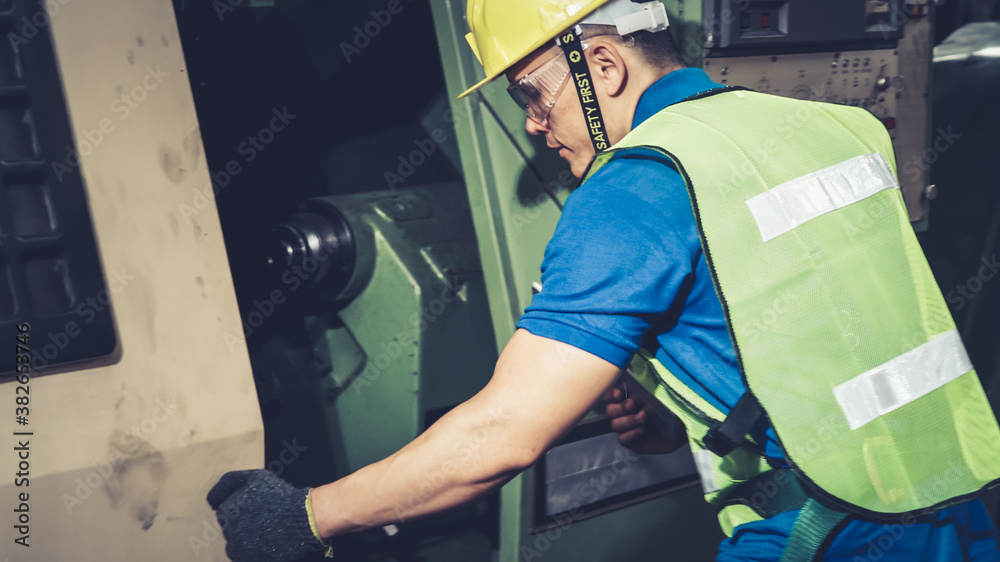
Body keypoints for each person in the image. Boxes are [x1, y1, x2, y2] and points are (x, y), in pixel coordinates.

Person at [206, 1, 1000, 560]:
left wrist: (308, 516)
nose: (532, 125)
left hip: (825, 537)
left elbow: (502, 435)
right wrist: (685, 413)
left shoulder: (637, 186)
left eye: (531, 94)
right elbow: (822, 330)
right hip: (963, 509)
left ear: (605, 66)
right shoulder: (837, 126)